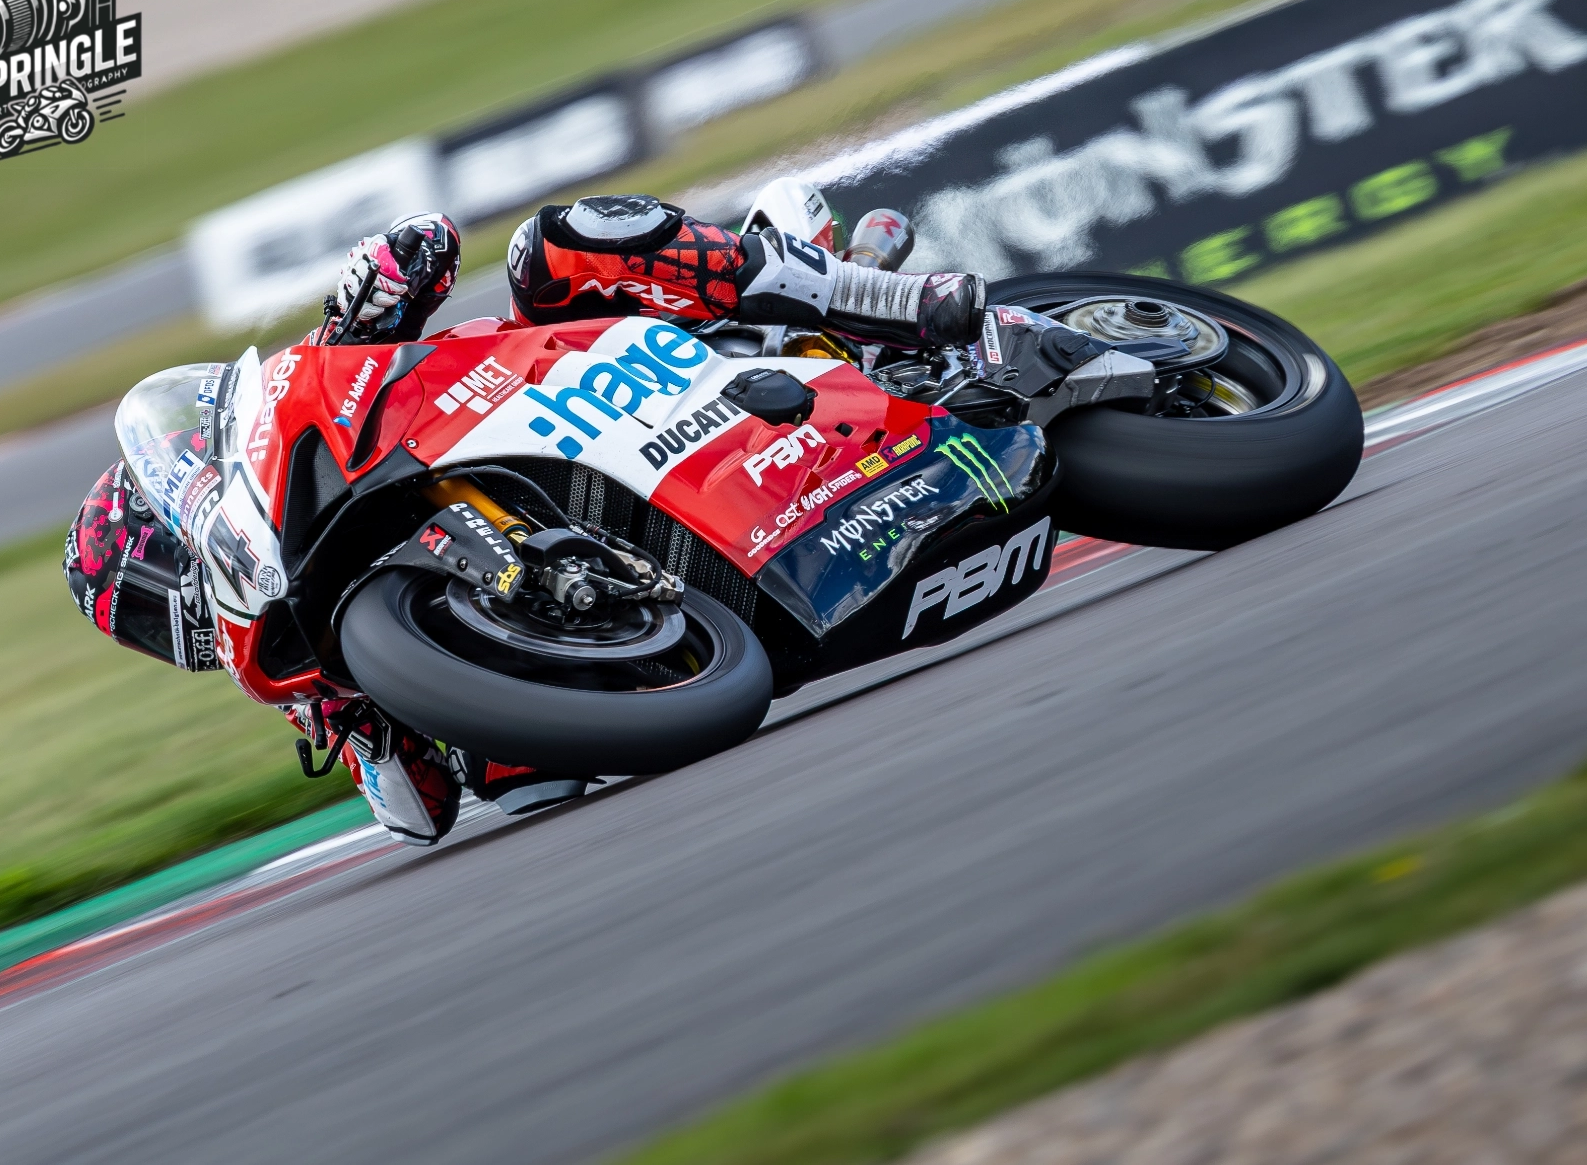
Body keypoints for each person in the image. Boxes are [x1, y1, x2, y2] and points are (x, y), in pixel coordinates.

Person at [68, 194, 987, 846]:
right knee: (520, 787)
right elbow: (418, 818)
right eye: (150, 630)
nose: (173, 623)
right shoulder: (317, 674)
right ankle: (648, 615)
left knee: (554, 246)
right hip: (664, 587)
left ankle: (879, 301)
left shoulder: (302, 397)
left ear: (176, 501)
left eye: (154, 591)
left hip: (588, 379)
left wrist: (371, 292)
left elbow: (424, 240)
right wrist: (360, 721)